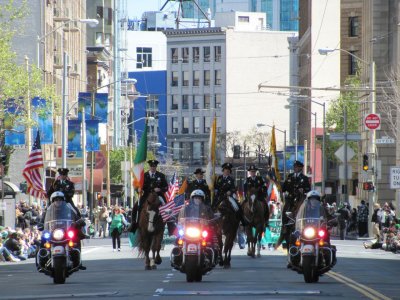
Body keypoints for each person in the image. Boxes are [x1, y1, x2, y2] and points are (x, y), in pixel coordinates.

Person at [275, 160, 311, 250]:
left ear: (300, 168)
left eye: (296, 167)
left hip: (300, 199)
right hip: (291, 199)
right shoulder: (290, 177)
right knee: (285, 209)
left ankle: (309, 223)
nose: (294, 168)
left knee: (308, 208)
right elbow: (284, 188)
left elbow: (308, 189)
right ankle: (284, 227)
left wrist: (303, 189)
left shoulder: (305, 178)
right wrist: (280, 185)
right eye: (294, 167)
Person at [131, 160, 169, 231]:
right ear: (149, 167)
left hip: (158, 196)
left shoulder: (161, 175)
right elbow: (138, 186)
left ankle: (170, 224)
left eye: (154, 166)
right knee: (136, 207)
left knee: (167, 207)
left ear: (156, 167)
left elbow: (166, 187)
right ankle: (134, 223)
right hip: (146, 195)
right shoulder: (144, 176)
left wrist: (160, 189)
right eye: (151, 166)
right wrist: (138, 189)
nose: (152, 168)